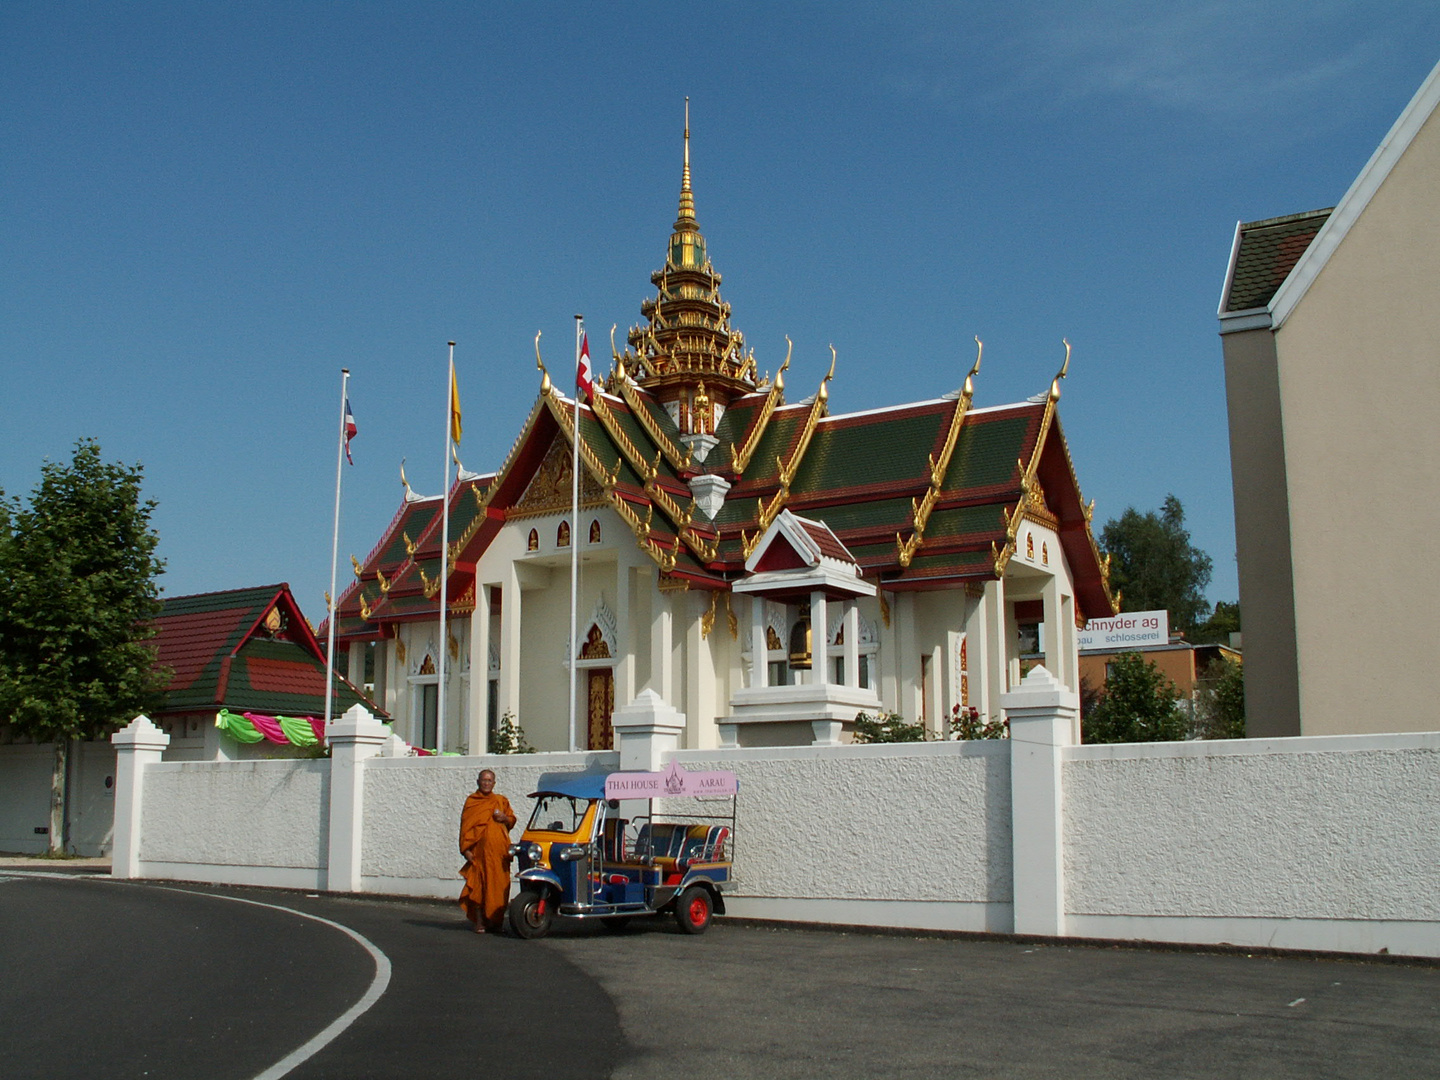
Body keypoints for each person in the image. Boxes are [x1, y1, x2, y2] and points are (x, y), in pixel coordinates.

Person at [458, 769, 517, 933]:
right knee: (478, 887)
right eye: (484, 780)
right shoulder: (472, 801)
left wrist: (504, 818)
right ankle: (479, 922)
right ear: (478, 782)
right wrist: (466, 850)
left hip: (499, 856)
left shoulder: (500, 801)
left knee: (500, 887)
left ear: (494, 783)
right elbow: (465, 827)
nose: (486, 783)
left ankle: (495, 921)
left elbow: (512, 820)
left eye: (489, 780)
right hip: (480, 854)